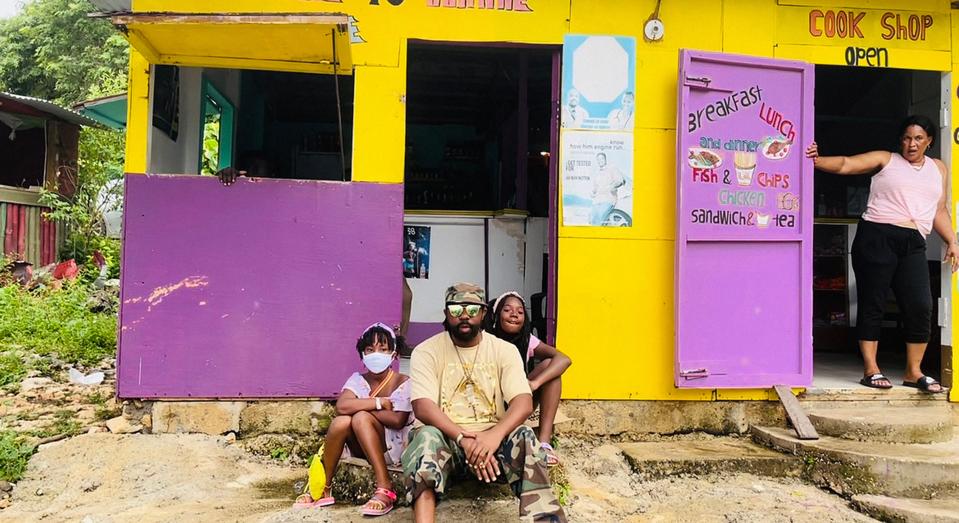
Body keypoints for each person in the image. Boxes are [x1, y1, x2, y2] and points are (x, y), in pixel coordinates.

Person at [805, 115, 959, 393]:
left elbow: (939, 209)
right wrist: (817, 160)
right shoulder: (886, 159)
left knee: (920, 306)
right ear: (900, 140)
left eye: (918, 139)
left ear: (929, 141)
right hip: (876, 236)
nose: (911, 144)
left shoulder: (939, 168)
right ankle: (871, 369)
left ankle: (914, 372)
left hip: (913, 240)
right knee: (872, 302)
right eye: (906, 138)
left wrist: (952, 240)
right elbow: (846, 164)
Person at [402, 283, 567, 523]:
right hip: (448, 441)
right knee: (425, 437)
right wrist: (464, 439)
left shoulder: (504, 350)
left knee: (523, 436)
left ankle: (545, 519)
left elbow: (523, 402)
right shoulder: (427, 351)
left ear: (483, 313)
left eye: (471, 309)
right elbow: (423, 407)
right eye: (457, 310)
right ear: (446, 313)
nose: (465, 316)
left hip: (494, 442)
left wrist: (494, 436)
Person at [294, 323, 412, 516]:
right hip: (361, 446)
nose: (376, 354)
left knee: (359, 417)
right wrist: (378, 403)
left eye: (383, 349)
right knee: (341, 422)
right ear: (363, 355)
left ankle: (385, 488)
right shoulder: (357, 379)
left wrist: (360, 406)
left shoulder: (403, 381)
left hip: (390, 449)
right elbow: (342, 407)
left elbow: (397, 419)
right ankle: (324, 488)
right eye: (370, 349)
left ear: (394, 354)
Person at [484, 291, 572, 466]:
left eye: (520, 311)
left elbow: (564, 359)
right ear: (496, 315)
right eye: (507, 310)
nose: (514, 314)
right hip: (489, 406)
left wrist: (534, 383)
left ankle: (544, 443)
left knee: (550, 368)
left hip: (516, 404)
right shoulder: (485, 339)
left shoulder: (527, 340)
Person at [589, 152, 626, 226]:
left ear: (605, 159)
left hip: (608, 199)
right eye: (598, 159)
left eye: (602, 158)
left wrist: (611, 187)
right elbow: (594, 187)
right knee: (592, 220)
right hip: (597, 200)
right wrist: (592, 192)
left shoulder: (612, 168)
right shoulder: (597, 173)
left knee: (600, 219)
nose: (600, 161)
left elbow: (621, 180)